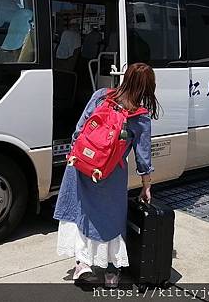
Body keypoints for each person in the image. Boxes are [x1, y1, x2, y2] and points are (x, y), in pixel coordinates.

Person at [53, 63, 159, 288]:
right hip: (110, 174)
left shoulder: (101, 96)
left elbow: (79, 129)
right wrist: (146, 185)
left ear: (125, 78)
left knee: (81, 213)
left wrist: (78, 156)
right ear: (148, 89)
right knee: (111, 219)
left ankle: (82, 264)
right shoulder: (139, 117)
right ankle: (111, 273)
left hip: (81, 165)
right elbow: (143, 157)